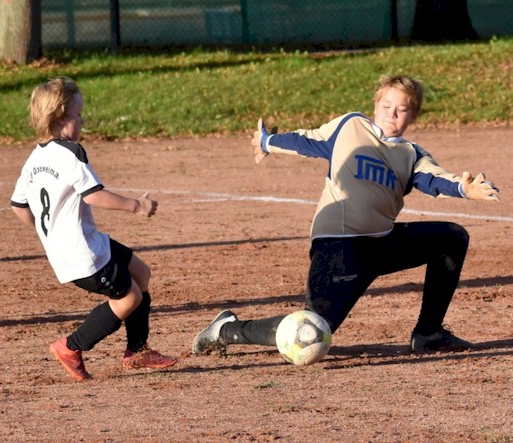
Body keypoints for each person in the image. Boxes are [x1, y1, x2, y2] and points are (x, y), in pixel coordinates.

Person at [192, 74, 500, 357]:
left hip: (382, 244)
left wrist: (465, 188)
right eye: (386, 104)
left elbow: (436, 179)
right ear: (375, 106)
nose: (392, 113)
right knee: (312, 329)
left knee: (451, 237)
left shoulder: (411, 154)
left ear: (414, 115)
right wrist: (267, 142)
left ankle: (429, 333)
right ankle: (226, 329)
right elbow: (308, 140)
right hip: (338, 247)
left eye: (402, 108)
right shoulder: (351, 126)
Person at [11, 76, 178, 381]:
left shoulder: (34, 159)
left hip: (81, 244)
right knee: (129, 299)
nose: (83, 120)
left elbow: (18, 205)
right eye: (78, 115)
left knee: (141, 273)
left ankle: (137, 351)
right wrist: (137, 206)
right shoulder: (72, 153)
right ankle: (71, 346)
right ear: (61, 118)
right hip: (83, 253)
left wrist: (45, 234)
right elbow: (94, 195)